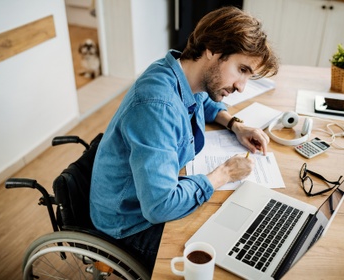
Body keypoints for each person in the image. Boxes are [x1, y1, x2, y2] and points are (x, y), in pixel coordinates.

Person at [90, 6, 279, 275]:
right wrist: (223, 174)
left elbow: (204, 101)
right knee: (224, 260)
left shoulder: (182, 73)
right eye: (241, 69)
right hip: (128, 226)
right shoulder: (158, 105)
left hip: (145, 202)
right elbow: (160, 207)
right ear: (213, 49)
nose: (241, 87)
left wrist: (236, 125)